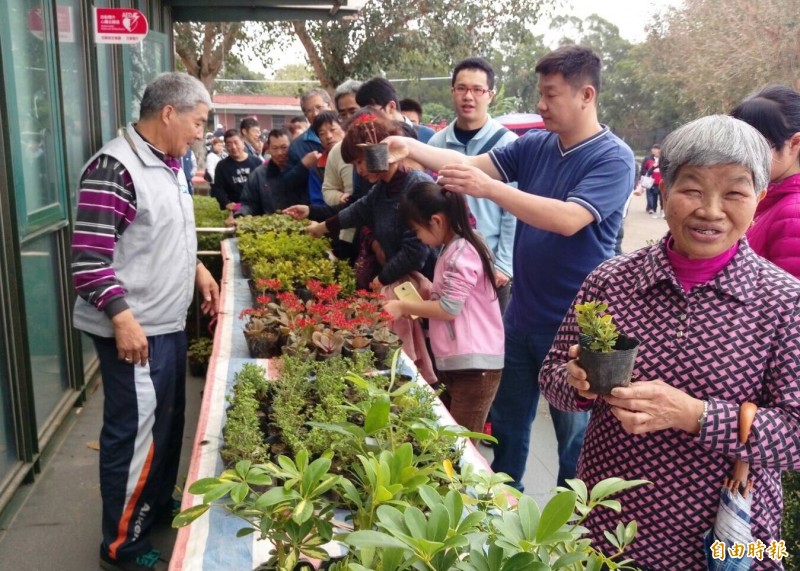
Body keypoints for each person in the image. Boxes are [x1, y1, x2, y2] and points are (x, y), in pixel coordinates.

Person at [540, 114, 800, 569]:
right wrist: (578, 381)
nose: (711, 210)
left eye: (735, 192)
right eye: (693, 189)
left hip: (728, 538)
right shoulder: (612, 281)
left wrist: (694, 415)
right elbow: (551, 379)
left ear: (759, 198)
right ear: (666, 187)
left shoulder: (784, 302)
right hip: (610, 529)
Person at [384, 45, 635, 490]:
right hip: (520, 316)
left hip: (575, 325)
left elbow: (567, 218)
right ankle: (502, 517)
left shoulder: (613, 158)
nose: (541, 104)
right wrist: (413, 147)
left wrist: (491, 190)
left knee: (573, 439)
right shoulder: (536, 145)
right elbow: (468, 165)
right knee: (509, 426)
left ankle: (567, 536)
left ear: (586, 95)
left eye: (551, 95)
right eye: (540, 93)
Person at [71, 72, 220, 571]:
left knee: (166, 425)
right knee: (133, 434)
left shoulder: (171, 162)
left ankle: (151, 509)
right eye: (198, 121)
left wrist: (198, 270)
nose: (201, 132)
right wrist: (122, 319)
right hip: (134, 330)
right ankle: (121, 545)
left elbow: (164, 232)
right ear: (169, 113)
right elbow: (89, 260)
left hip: (166, 323)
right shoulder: (115, 167)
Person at [384, 182, 503, 434]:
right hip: (461, 362)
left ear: (436, 221)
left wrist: (402, 305)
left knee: (460, 447)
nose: (417, 237)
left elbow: (450, 308)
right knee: (445, 437)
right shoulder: (457, 246)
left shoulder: (462, 253)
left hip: (474, 365)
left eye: (417, 230)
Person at [427, 56, 518, 314]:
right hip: (448, 262)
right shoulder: (436, 144)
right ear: (452, 92)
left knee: (489, 344)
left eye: (478, 89)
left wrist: (504, 265)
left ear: (490, 95)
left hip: (490, 266)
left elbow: (513, 210)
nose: (469, 96)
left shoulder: (508, 144)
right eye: (462, 88)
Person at [731, 84, 800, 279]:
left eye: (757, 146)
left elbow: (791, 305)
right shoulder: (770, 199)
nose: (742, 157)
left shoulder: (794, 213)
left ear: (794, 143)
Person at [280, 89, 330, 207]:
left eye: (319, 107)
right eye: (309, 110)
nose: (316, 113)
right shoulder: (298, 145)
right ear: (305, 115)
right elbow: (286, 184)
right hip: (313, 210)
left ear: (330, 106)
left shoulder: (345, 135)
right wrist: (303, 166)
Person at [357, 77, 436, 143]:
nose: (369, 120)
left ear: (391, 107)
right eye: (363, 114)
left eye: (371, 113)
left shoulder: (428, 136)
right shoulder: (371, 141)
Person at [236, 127, 292, 218]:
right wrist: (241, 215)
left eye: (284, 147)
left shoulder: (301, 170)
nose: (279, 153)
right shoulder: (258, 174)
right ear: (268, 148)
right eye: (275, 148)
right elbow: (249, 204)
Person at [211, 129, 262, 215]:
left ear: (243, 142)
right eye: (229, 144)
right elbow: (218, 189)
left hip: (257, 208)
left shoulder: (256, 162)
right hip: (236, 210)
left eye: (236, 142)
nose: (233, 147)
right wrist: (226, 203)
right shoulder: (222, 166)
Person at [640, 143, 662, 218]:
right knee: (650, 194)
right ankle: (651, 208)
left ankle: (660, 209)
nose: (654, 150)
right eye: (653, 149)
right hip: (650, 179)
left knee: (659, 195)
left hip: (660, 180)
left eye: (656, 149)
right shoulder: (648, 158)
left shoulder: (663, 160)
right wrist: (642, 177)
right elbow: (644, 168)